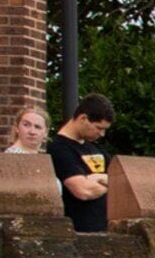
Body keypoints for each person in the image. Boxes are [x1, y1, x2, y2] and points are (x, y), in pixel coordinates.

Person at [47, 95, 113, 234]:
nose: (102, 134)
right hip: (79, 231)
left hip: (105, 229)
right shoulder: (59, 148)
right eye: (98, 127)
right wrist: (110, 182)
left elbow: (123, 181)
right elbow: (83, 190)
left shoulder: (95, 149)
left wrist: (99, 180)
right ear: (83, 118)